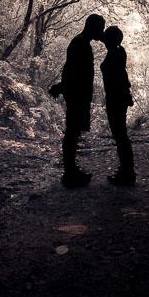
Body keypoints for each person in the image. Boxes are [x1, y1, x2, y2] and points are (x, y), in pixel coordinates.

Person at [49, 13, 106, 187]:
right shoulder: (80, 44)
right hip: (76, 95)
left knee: (73, 132)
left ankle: (71, 171)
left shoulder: (81, 42)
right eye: (100, 28)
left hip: (77, 94)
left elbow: (70, 69)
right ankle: (70, 174)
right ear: (92, 27)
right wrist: (63, 87)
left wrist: (62, 86)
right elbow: (73, 71)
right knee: (72, 133)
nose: (102, 32)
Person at [100, 26, 135, 185]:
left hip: (115, 98)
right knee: (121, 135)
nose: (103, 40)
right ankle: (126, 171)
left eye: (106, 37)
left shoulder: (114, 54)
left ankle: (127, 173)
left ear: (110, 39)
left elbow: (119, 76)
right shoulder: (119, 51)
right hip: (118, 97)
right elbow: (123, 75)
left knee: (120, 135)